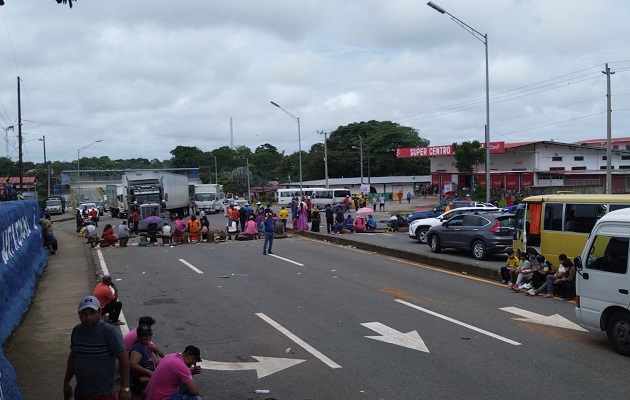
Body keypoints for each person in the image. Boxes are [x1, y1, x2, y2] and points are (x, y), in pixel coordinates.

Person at [63, 295, 130, 400]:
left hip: (104, 394)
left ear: (99, 312)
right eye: (84, 314)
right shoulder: (77, 331)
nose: (88, 317)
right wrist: (66, 382)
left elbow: (124, 358)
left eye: (92, 313)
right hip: (81, 392)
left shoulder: (109, 332)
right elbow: (73, 358)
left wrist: (125, 388)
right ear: (79, 314)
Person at [129, 324, 161, 396]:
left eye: (149, 334)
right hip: (140, 379)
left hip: (150, 374)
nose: (148, 336)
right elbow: (133, 365)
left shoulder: (148, 347)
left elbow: (156, 361)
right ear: (139, 336)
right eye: (144, 335)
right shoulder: (137, 349)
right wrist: (148, 372)